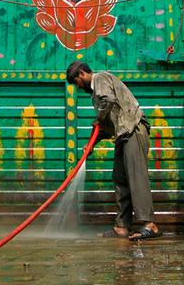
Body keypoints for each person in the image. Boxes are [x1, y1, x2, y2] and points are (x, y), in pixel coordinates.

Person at [66, 61, 161, 240]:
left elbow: (107, 102)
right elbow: (105, 124)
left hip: (133, 130)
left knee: (136, 177)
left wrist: (98, 118)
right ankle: (122, 227)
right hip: (122, 134)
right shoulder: (96, 95)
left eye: (76, 82)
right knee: (119, 179)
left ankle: (150, 225)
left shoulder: (100, 78)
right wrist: (91, 143)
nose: (78, 86)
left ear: (81, 74)